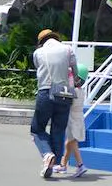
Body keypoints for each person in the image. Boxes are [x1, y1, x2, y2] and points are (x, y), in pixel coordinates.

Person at [31, 28, 78, 179]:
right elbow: (75, 72)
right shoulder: (67, 49)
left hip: (46, 92)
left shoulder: (38, 53)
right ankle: (55, 162)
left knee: (37, 128)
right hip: (64, 93)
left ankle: (47, 154)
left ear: (41, 42)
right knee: (58, 129)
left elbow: (39, 68)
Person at [56, 66, 89, 178]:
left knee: (72, 141)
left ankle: (80, 165)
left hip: (72, 120)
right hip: (78, 119)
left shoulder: (73, 92)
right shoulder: (81, 91)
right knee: (69, 142)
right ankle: (63, 165)